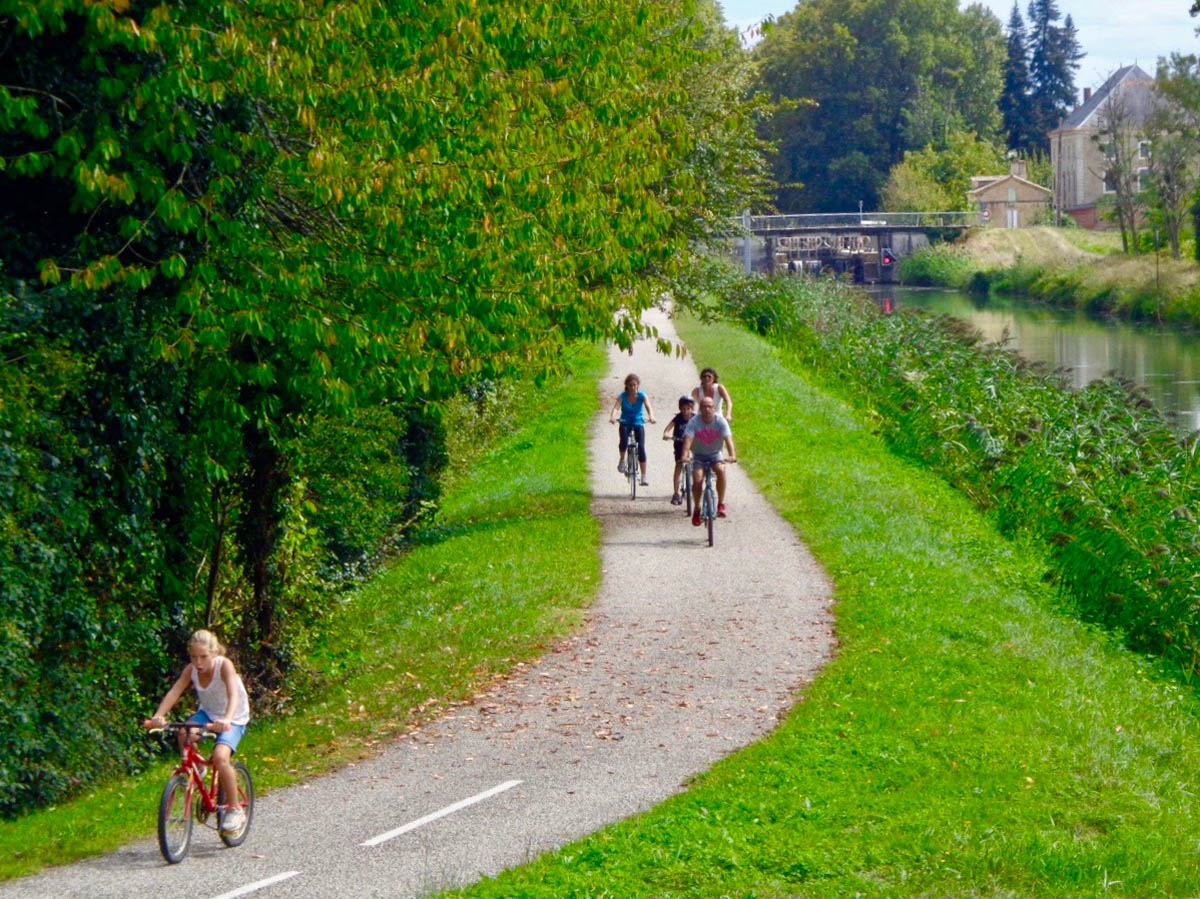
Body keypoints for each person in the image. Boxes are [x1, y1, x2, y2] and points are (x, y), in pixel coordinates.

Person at [144, 629, 251, 835]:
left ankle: (235, 809)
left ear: (214, 653)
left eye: (203, 657)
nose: (198, 662)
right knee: (184, 732)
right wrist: (159, 716)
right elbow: (175, 691)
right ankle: (198, 769)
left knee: (220, 757)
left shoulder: (224, 666)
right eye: (194, 657)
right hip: (208, 713)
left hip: (234, 716)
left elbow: (233, 695)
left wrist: (227, 719)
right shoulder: (191, 670)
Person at [682, 395, 737, 525]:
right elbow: (688, 440)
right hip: (699, 455)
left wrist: (732, 455)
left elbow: (728, 439)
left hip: (715, 454)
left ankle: (720, 503)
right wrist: (685, 455)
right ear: (700, 409)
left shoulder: (720, 421)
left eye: (710, 407)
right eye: (704, 407)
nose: (707, 409)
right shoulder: (694, 422)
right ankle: (697, 508)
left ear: (714, 408)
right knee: (697, 479)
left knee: (721, 470)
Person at [609, 373, 656, 486]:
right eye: (630, 385)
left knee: (641, 447)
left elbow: (648, 407)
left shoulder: (642, 396)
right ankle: (622, 460)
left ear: (638, 385)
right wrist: (613, 417)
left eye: (635, 385)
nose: (633, 387)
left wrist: (651, 416)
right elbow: (616, 408)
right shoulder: (622, 396)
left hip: (638, 423)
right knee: (624, 442)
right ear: (627, 386)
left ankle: (644, 476)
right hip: (625, 422)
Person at [662, 395, 696, 505]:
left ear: (692, 409)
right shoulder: (678, 418)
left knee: (697, 464)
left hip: (694, 444)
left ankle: (696, 487)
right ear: (680, 409)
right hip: (679, 443)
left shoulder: (696, 418)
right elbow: (667, 428)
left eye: (688, 409)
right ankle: (676, 493)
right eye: (683, 409)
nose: (686, 411)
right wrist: (666, 434)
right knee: (679, 465)